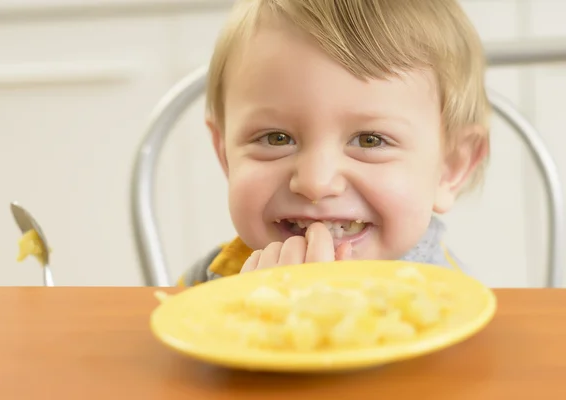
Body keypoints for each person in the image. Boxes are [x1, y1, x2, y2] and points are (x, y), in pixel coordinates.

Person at [177, 0, 490, 287]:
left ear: (451, 166)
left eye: (370, 140)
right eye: (276, 138)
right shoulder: (209, 281)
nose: (316, 183)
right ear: (225, 155)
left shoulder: (447, 304)